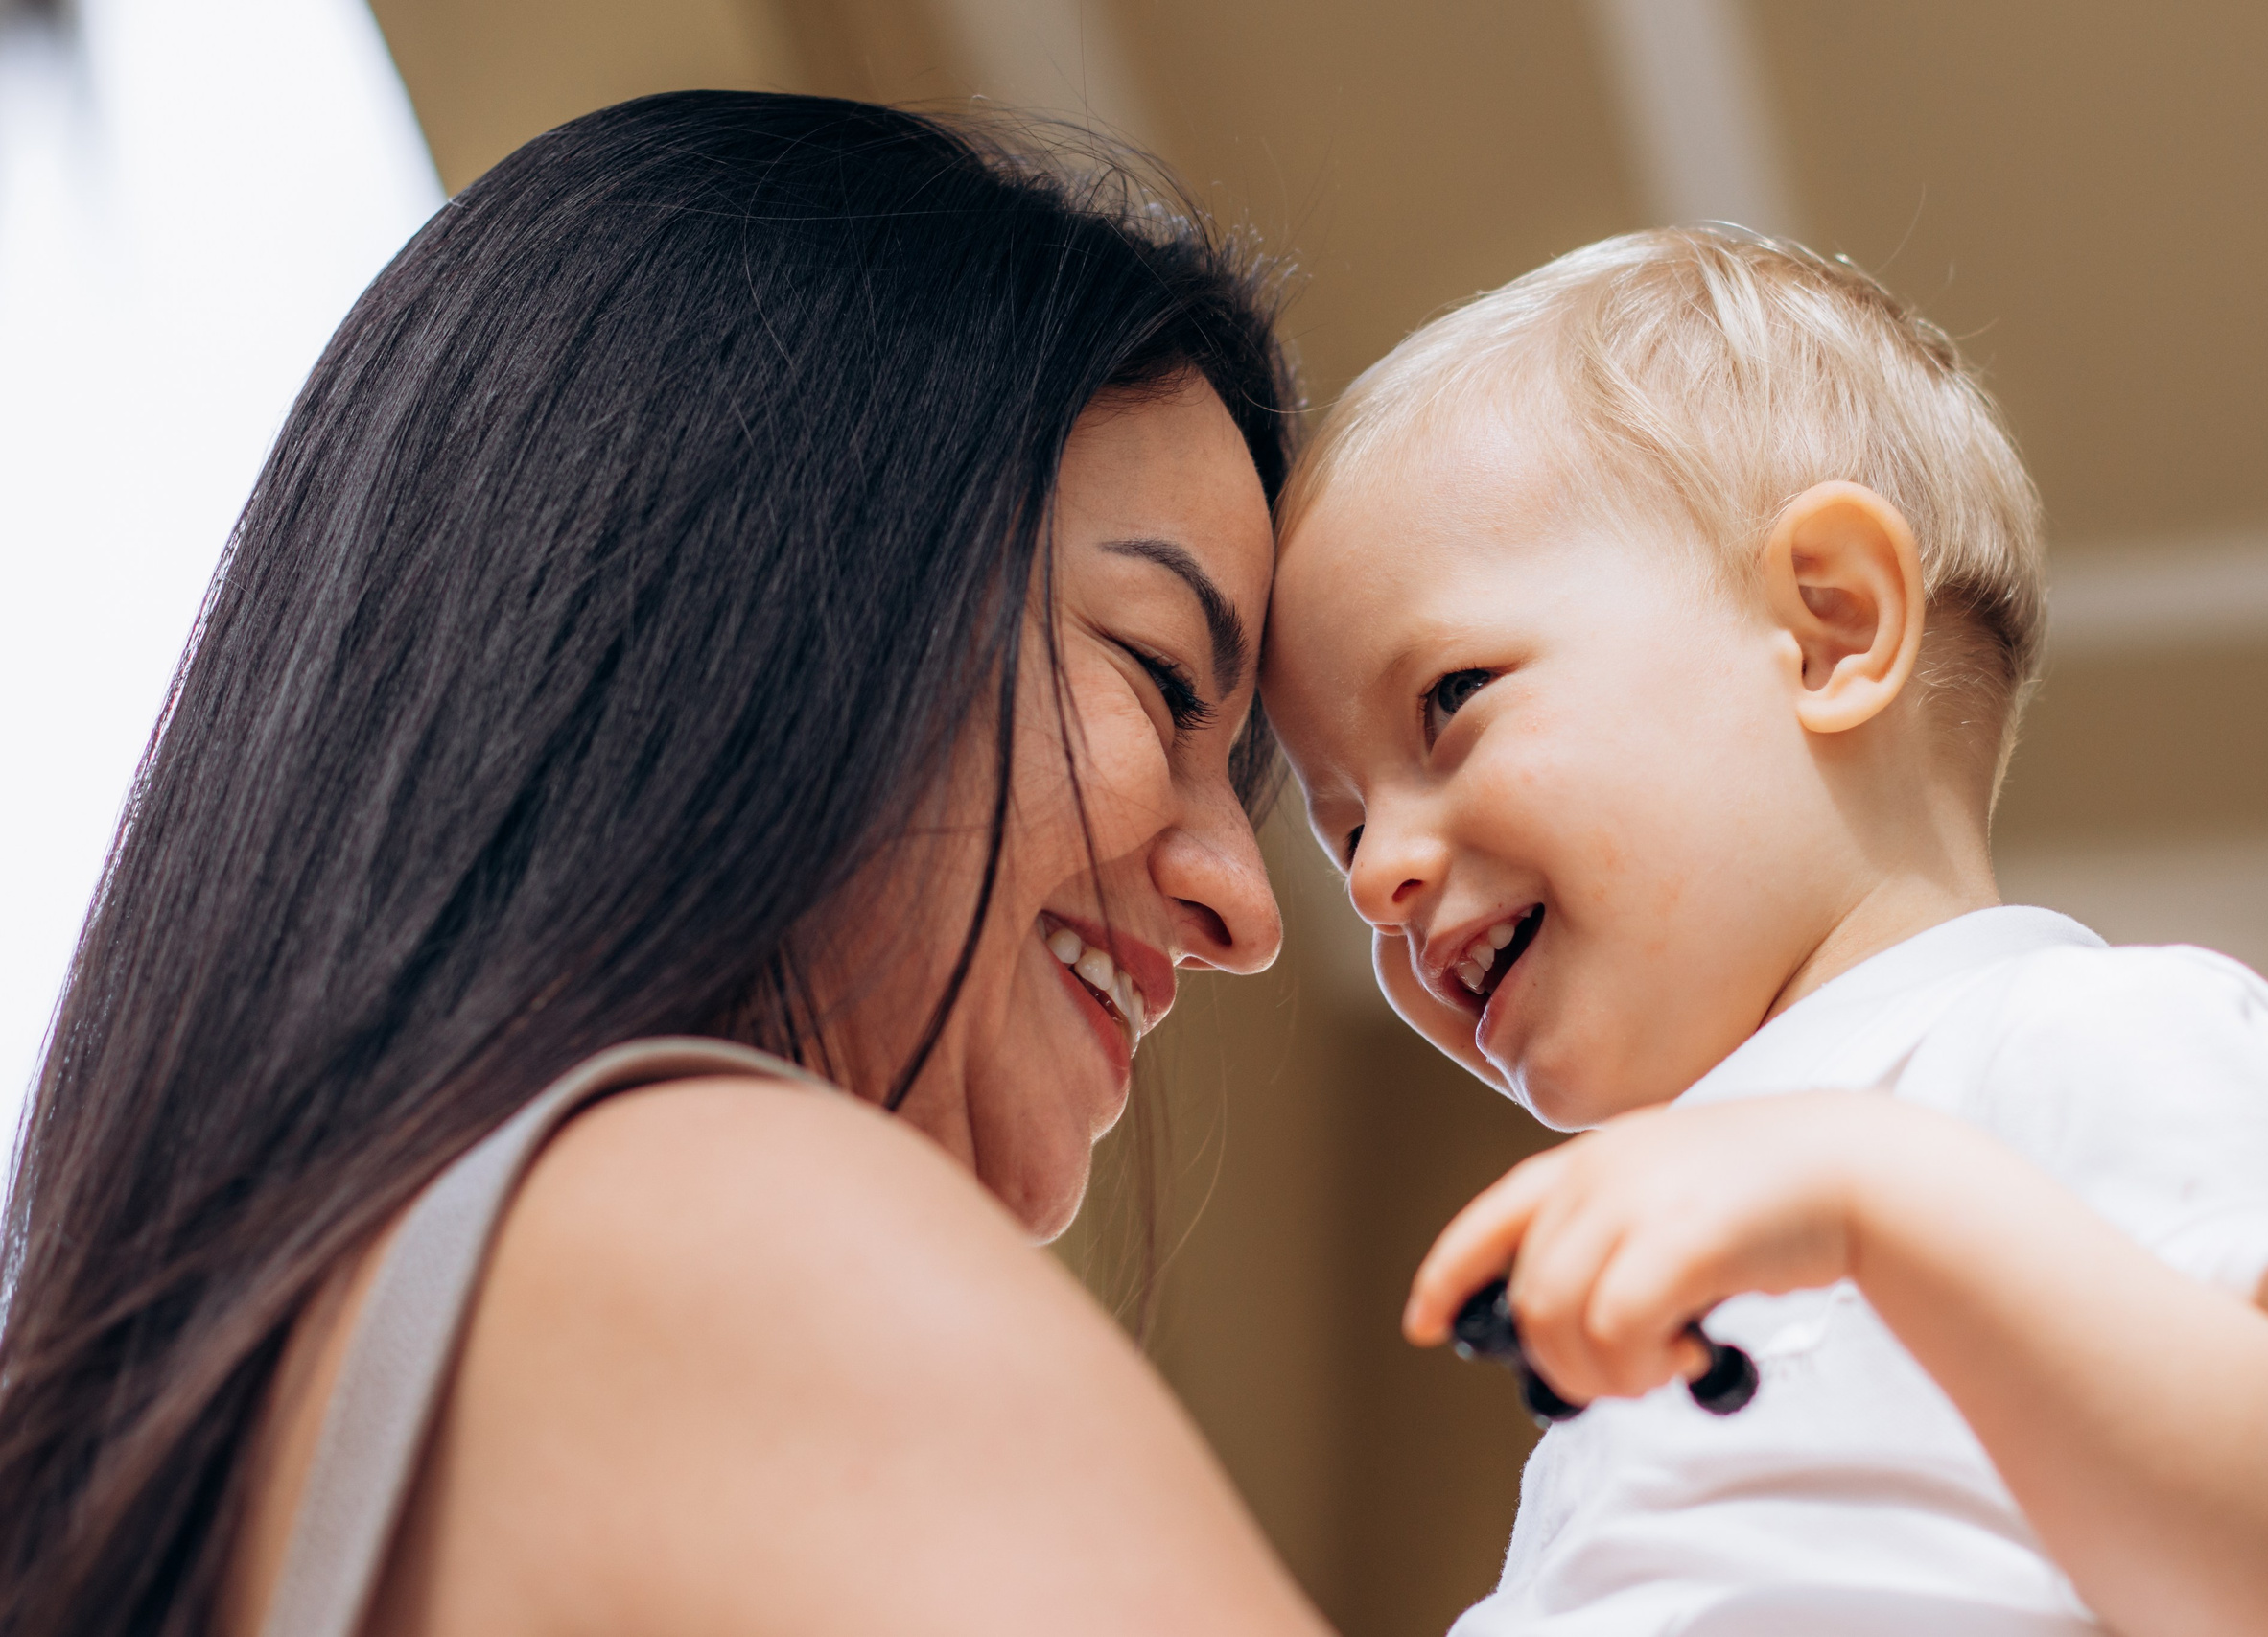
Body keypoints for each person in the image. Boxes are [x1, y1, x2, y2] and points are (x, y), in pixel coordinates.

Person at [0, 93, 1336, 1637]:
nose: (1247, 904)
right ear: (769, 591)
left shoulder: (239, 1418)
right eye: (1163, 679)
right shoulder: (707, 1221)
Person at [1263, 225, 2268, 1636]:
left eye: (1449, 700)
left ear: (1829, 629)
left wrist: (1879, 1198)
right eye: (1341, 826)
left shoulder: (2096, 1035)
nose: (1375, 876)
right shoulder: (1673, 1260)